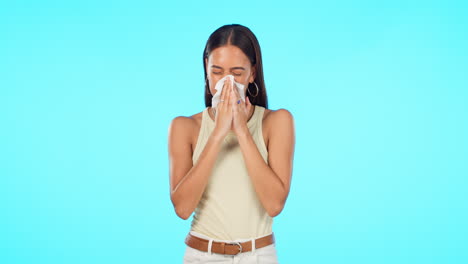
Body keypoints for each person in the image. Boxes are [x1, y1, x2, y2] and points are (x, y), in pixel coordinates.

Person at [168, 24, 295, 263]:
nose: (227, 82)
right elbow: (183, 209)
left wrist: (242, 131)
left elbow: (275, 203)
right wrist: (217, 134)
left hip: (259, 255)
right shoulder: (184, 127)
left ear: (252, 73)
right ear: (206, 68)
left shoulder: (277, 122)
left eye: (236, 73)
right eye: (217, 71)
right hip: (201, 255)